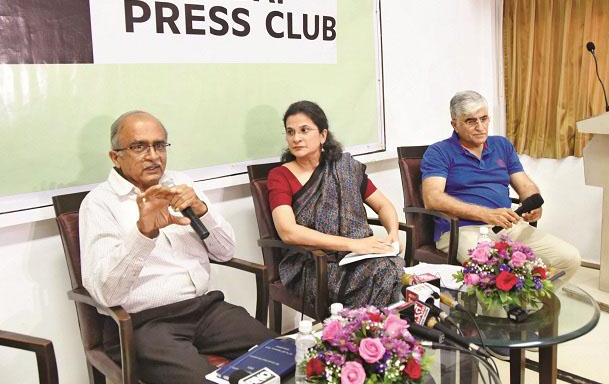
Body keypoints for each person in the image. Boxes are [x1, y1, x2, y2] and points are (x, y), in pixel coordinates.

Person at [79, 110, 275, 384]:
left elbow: (225, 251)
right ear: (115, 156)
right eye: (139, 146)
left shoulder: (181, 184)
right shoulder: (99, 203)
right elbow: (106, 293)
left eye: (159, 145)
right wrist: (143, 233)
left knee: (283, 356)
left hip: (206, 310)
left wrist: (202, 209)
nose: (153, 156)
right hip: (145, 324)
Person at [421, 91, 580, 281]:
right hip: (462, 231)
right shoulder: (439, 151)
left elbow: (525, 184)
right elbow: (432, 199)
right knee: (503, 276)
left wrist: (532, 203)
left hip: (508, 226)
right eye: (471, 121)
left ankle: (534, 307)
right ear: (455, 125)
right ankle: (505, 308)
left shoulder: (501, 145)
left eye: (484, 118)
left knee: (569, 258)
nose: (480, 127)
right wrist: (486, 214)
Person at [268, 101, 404, 309]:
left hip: (358, 257)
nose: (296, 138)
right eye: (290, 132)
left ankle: (367, 333)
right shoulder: (280, 176)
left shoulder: (343, 167)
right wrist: (354, 244)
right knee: (386, 272)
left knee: (390, 268)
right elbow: (288, 232)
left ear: (323, 135)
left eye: (304, 130)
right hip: (314, 265)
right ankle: (366, 332)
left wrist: (393, 232)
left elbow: (384, 206)